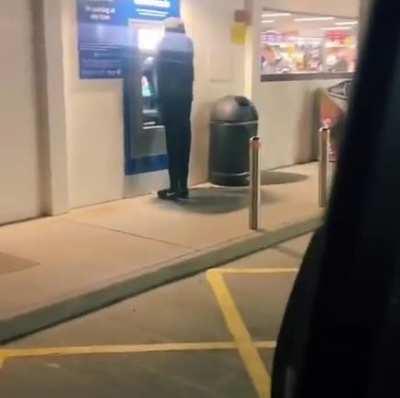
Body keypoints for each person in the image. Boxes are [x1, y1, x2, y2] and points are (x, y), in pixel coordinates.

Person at [156, 17, 194, 200]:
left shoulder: (164, 43)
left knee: (173, 144)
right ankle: (183, 187)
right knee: (184, 143)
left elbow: (158, 73)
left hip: (170, 102)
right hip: (185, 101)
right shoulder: (188, 43)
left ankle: (174, 187)